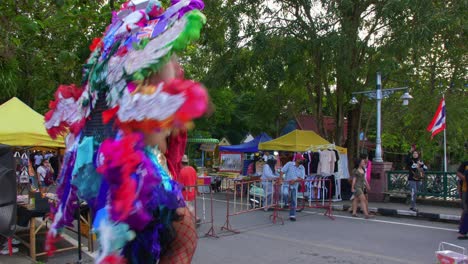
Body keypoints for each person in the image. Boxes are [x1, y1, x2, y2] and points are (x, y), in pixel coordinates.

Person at [279, 153, 305, 221]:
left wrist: (295, 180)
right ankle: (286, 203)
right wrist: (280, 179)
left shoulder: (302, 167)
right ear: (297, 159)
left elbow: (302, 178)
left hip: (294, 186)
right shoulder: (289, 164)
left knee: (293, 200)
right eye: (300, 159)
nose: (302, 161)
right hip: (286, 184)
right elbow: (282, 171)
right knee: (285, 193)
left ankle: (292, 215)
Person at [457, 161, 468, 239]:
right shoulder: (465, 164)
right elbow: (459, 174)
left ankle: (462, 231)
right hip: (465, 190)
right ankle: (462, 231)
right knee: (466, 210)